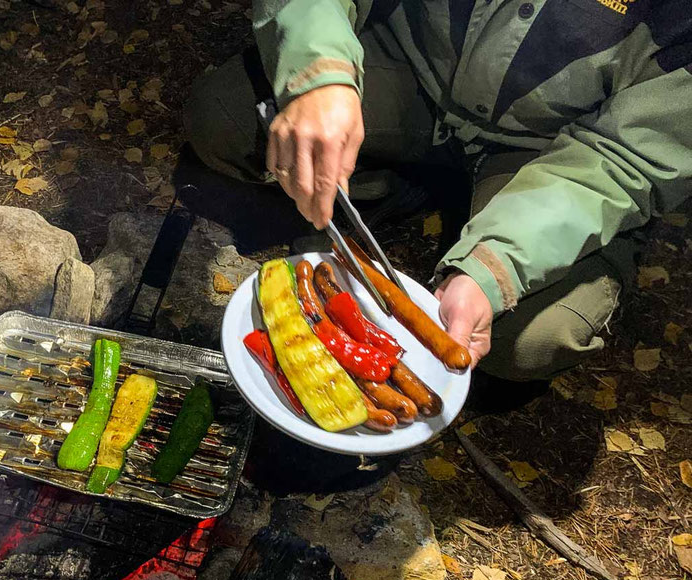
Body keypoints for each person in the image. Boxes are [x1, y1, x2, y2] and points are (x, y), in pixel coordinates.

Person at [184, 0, 692, 381]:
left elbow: (627, 157)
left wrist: (495, 267)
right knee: (226, 120)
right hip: (414, 70)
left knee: (533, 339)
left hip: (552, 147)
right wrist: (318, 78)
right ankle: (408, 182)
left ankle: (437, 197)